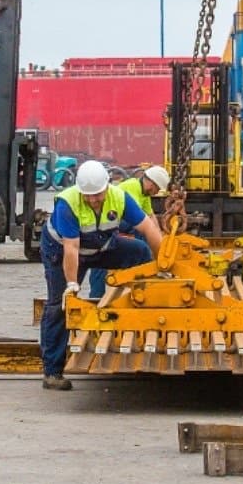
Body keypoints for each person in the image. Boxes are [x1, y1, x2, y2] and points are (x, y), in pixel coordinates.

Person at [40, 160, 162, 390]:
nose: (94, 199)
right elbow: (71, 248)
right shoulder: (68, 204)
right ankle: (52, 373)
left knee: (140, 252)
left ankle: (142, 308)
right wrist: (72, 283)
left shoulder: (120, 197)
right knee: (60, 305)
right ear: (80, 190)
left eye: (97, 194)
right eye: (89, 195)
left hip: (101, 245)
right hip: (62, 252)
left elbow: (148, 228)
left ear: (107, 186)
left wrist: (162, 264)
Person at [86, 165, 170, 298]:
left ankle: (147, 261)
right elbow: (137, 220)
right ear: (150, 182)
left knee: (145, 234)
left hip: (111, 224)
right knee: (139, 233)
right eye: (156, 188)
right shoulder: (133, 186)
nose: (156, 192)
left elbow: (151, 216)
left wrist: (160, 238)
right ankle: (147, 264)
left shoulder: (144, 195)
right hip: (108, 223)